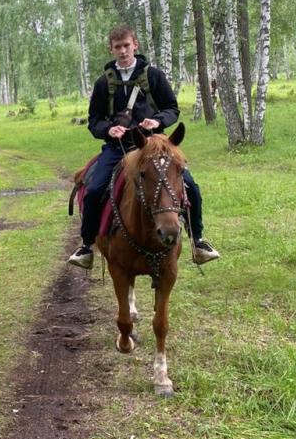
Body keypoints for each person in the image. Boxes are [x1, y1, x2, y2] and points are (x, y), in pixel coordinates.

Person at [68, 24, 220, 270]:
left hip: (153, 147)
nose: (123, 51)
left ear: (135, 45)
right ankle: (87, 246)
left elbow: (172, 108)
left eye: (127, 45)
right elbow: (94, 120)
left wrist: (158, 121)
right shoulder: (102, 83)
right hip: (117, 148)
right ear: (112, 49)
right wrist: (108, 129)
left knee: (190, 186)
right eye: (118, 47)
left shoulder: (153, 76)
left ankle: (198, 241)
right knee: (95, 189)